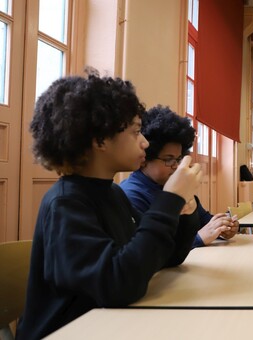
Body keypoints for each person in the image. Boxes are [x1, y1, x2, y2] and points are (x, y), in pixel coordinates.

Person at [17, 73, 204, 339]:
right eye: (136, 132)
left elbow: (162, 257)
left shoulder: (113, 193)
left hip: (109, 324)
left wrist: (183, 211)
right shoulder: (66, 203)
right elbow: (119, 284)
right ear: (101, 140)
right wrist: (169, 200)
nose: (145, 142)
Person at [120, 105, 238, 247]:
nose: (176, 166)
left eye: (178, 159)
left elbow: (205, 220)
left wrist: (223, 227)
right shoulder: (131, 196)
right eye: (169, 159)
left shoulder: (178, 186)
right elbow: (147, 250)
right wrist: (199, 238)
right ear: (145, 159)